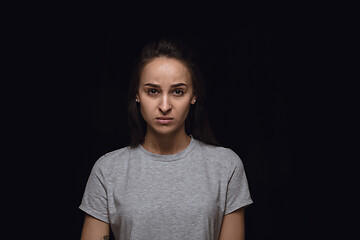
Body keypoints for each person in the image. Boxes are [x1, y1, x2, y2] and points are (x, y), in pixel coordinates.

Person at [79, 39, 253, 240]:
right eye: (152, 91)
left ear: (194, 95)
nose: (164, 105)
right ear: (137, 95)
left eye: (177, 92)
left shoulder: (225, 166)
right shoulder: (107, 170)